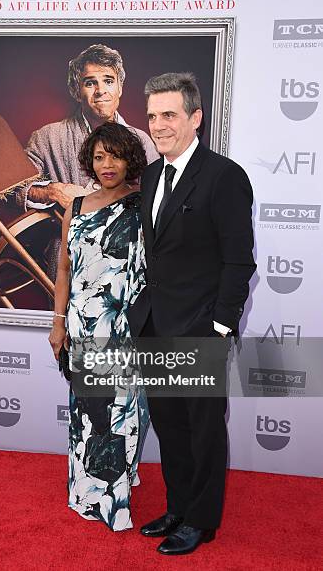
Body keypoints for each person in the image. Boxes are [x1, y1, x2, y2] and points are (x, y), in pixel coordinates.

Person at [127, 72, 256, 555]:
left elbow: (239, 259)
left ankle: (201, 521)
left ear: (195, 118)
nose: (159, 126)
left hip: (201, 327)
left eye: (170, 115)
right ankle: (178, 507)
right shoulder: (152, 176)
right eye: (153, 116)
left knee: (202, 428)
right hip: (156, 324)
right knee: (169, 424)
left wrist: (219, 325)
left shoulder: (224, 176)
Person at [48, 122, 150, 531]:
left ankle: (113, 500)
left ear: (131, 158)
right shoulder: (76, 205)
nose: (107, 165)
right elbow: (63, 269)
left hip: (121, 325)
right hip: (81, 324)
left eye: (116, 155)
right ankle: (85, 489)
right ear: (90, 161)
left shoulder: (143, 205)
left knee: (119, 412)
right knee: (87, 413)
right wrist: (58, 325)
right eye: (99, 156)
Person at [15, 44, 158, 282]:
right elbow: (14, 190)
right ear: (75, 90)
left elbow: (159, 206)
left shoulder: (142, 142)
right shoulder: (48, 138)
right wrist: (53, 191)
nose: (101, 90)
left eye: (108, 81)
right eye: (90, 82)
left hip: (129, 263)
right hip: (69, 264)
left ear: (120, 88)